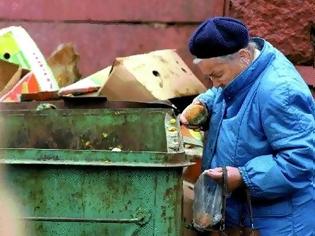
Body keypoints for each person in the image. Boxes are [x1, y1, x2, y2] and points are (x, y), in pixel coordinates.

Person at [180, 16, 315, 236]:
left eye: (217, 75)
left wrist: (244, 177)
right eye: (209, 77)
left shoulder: (280, 91)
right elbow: (223, 92)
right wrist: (204, 103)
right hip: (249, 219)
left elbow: (300, 161)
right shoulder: (247, 68)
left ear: (243, 56)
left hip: (281, 225)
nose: (215, 84)